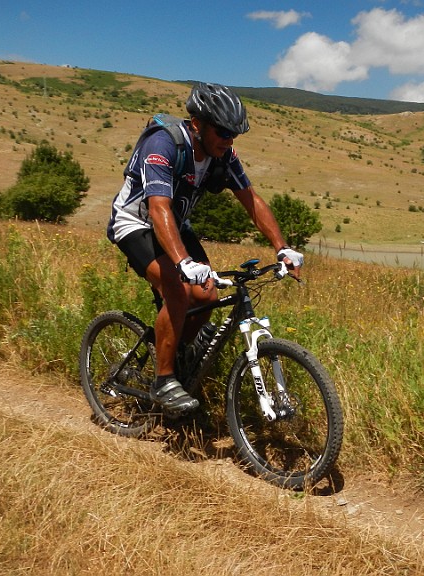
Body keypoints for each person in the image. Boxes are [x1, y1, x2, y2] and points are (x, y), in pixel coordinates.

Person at [107, 83, 304, 413]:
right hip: (135, 223)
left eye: (234, 135)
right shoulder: (163, 143)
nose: (228, 141)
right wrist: (183, 261)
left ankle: (173, 356)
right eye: (223, 132)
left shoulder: (223, 155)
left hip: (176, 225)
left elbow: (252, 201)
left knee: (207, 295)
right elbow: (158, 208)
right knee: (176, 286)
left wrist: (282, 247)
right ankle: (163, 381)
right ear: (197, 123)